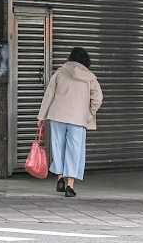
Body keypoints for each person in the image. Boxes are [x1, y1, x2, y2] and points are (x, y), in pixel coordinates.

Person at [37, 47, 103, 198]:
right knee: (74, 151)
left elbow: (48, 96)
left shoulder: (59, 73)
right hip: (78, 119)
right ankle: (70, 186)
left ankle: (60, 178)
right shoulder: (90, 77)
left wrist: (41, 117)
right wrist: (88, 114)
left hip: (57, 116)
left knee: (58, 148)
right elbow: (98, 99)